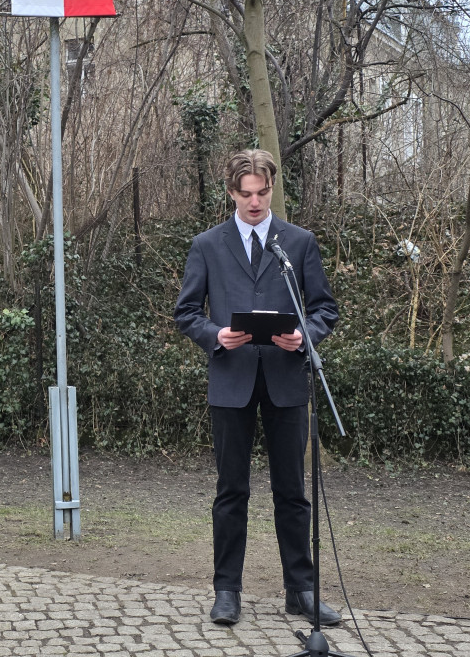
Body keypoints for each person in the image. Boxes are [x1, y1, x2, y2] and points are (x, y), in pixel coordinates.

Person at [173, 148, 341, 626]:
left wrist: (304, 336)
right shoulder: (207, 244)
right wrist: (216, 336)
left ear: (272, 189)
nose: (254, 202)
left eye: (263, 193)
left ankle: (301, 591)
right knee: (231, 492)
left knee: (293, 492)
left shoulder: (299, 242)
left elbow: (324, 308)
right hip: (232, 382)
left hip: (288, 381)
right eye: (245, 194)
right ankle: (226, 591)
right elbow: (186, 313)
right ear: (231, 192)